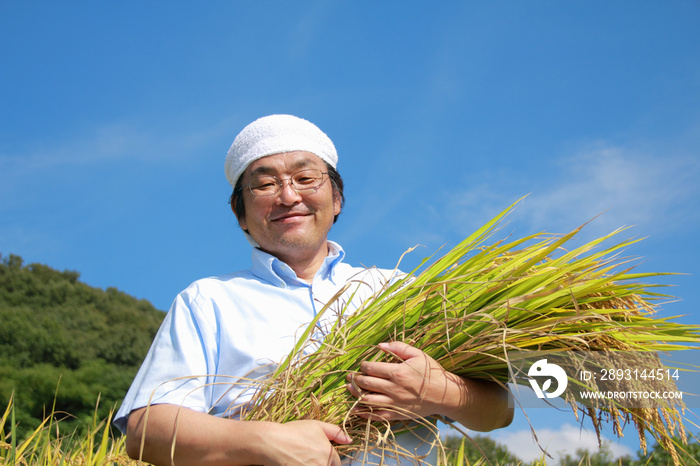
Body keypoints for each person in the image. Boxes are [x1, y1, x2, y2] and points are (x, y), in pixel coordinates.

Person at [114, 114, 513, 466]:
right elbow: (146, 430)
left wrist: (439, 392)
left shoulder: (400, 293)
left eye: (306, 179)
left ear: (336, 199)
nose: (289, 196)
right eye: (265, 184)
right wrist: (263, 440)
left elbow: (500, 410)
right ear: (241, 216)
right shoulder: (209, 301)